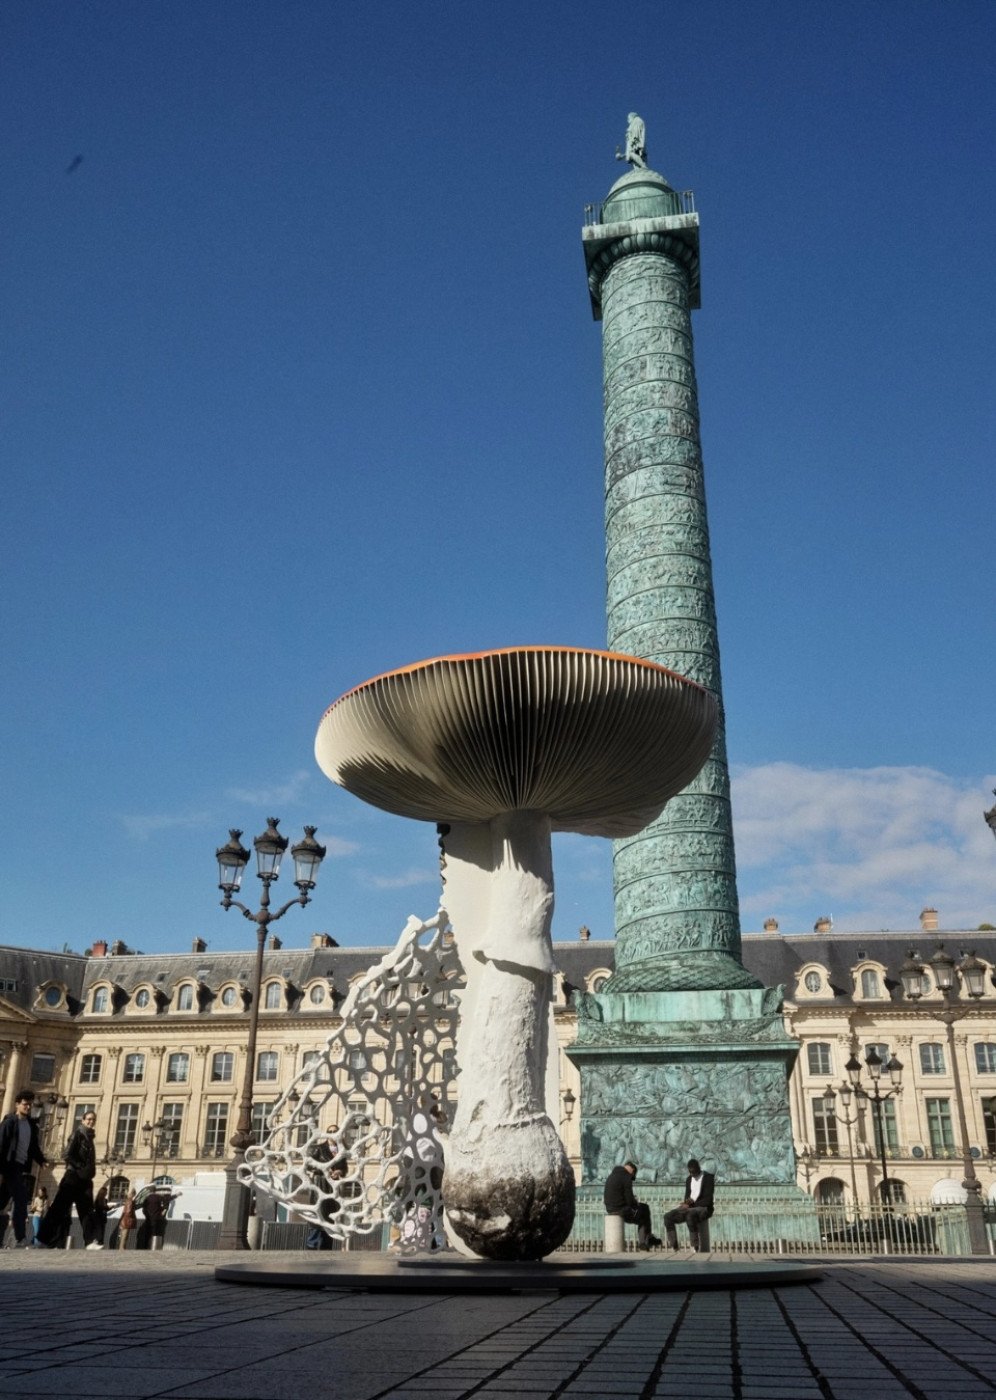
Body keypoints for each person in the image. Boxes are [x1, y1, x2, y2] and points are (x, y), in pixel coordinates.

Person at [35, 1110, 96, 1248]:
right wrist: (81, 1167)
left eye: (93, 1119)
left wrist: (89, 1171)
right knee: (58, 1208)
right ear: (83, 1120)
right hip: (73, 1176)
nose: (91, 1122)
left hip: (84, 1178)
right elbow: (67, 1154)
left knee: (87, 1210)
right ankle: (42, 1239)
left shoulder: (89, 1137)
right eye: (89, 1119)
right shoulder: (78, 1134)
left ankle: (90, 1241)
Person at [0, 1089, 48, 1249]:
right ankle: (20, 1238)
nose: (28, 1107)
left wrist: (41, 1160)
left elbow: (33, 1147)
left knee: (1, 1203)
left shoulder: (31, 1125)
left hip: (20, 1166)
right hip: (8, 1166)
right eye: (25, 1104)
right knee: (21, 1200)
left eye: (30, 1105)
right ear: (17, 1105)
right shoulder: (9, 1122)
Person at [603, 1159, 660, 1250]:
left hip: (610, 1208)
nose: (632, 1177)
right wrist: (635, 1203)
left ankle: (645, 1240)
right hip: (621, 1210)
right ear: (632, 1171)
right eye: (633, 1176)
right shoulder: (626, 1177)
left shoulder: (613, 1175)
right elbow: (629, 1200)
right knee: (645, 1209)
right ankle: (646, 1240)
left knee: (641, 1215)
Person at [664, 1158, 716, 1252]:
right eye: (690, 1172)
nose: (692, 1174)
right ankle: (674, 1246)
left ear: (698, 1168)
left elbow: (707, 1200)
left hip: (703, 1208)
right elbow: (687, 1197)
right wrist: (686, 1203)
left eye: (694, 1172)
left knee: (690, 1215)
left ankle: (695, 1245)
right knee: (668, 1217)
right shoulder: (689, 1180)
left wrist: (692, 1204)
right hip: (690, 1207)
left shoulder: (708, 1178)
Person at [86, 1184, 109, 1250]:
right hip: (98, 1217)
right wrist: (105, 1207)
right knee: (98, 1231)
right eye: (105, 1192)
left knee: (102, 1231)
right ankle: (97, 1242)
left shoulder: (105, 1200)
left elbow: (105, 1208)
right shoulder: (98, 1199)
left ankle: (101, 1243)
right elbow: (98, 1208)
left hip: (103, 1218)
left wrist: (108, 1208)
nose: (106, 1193)